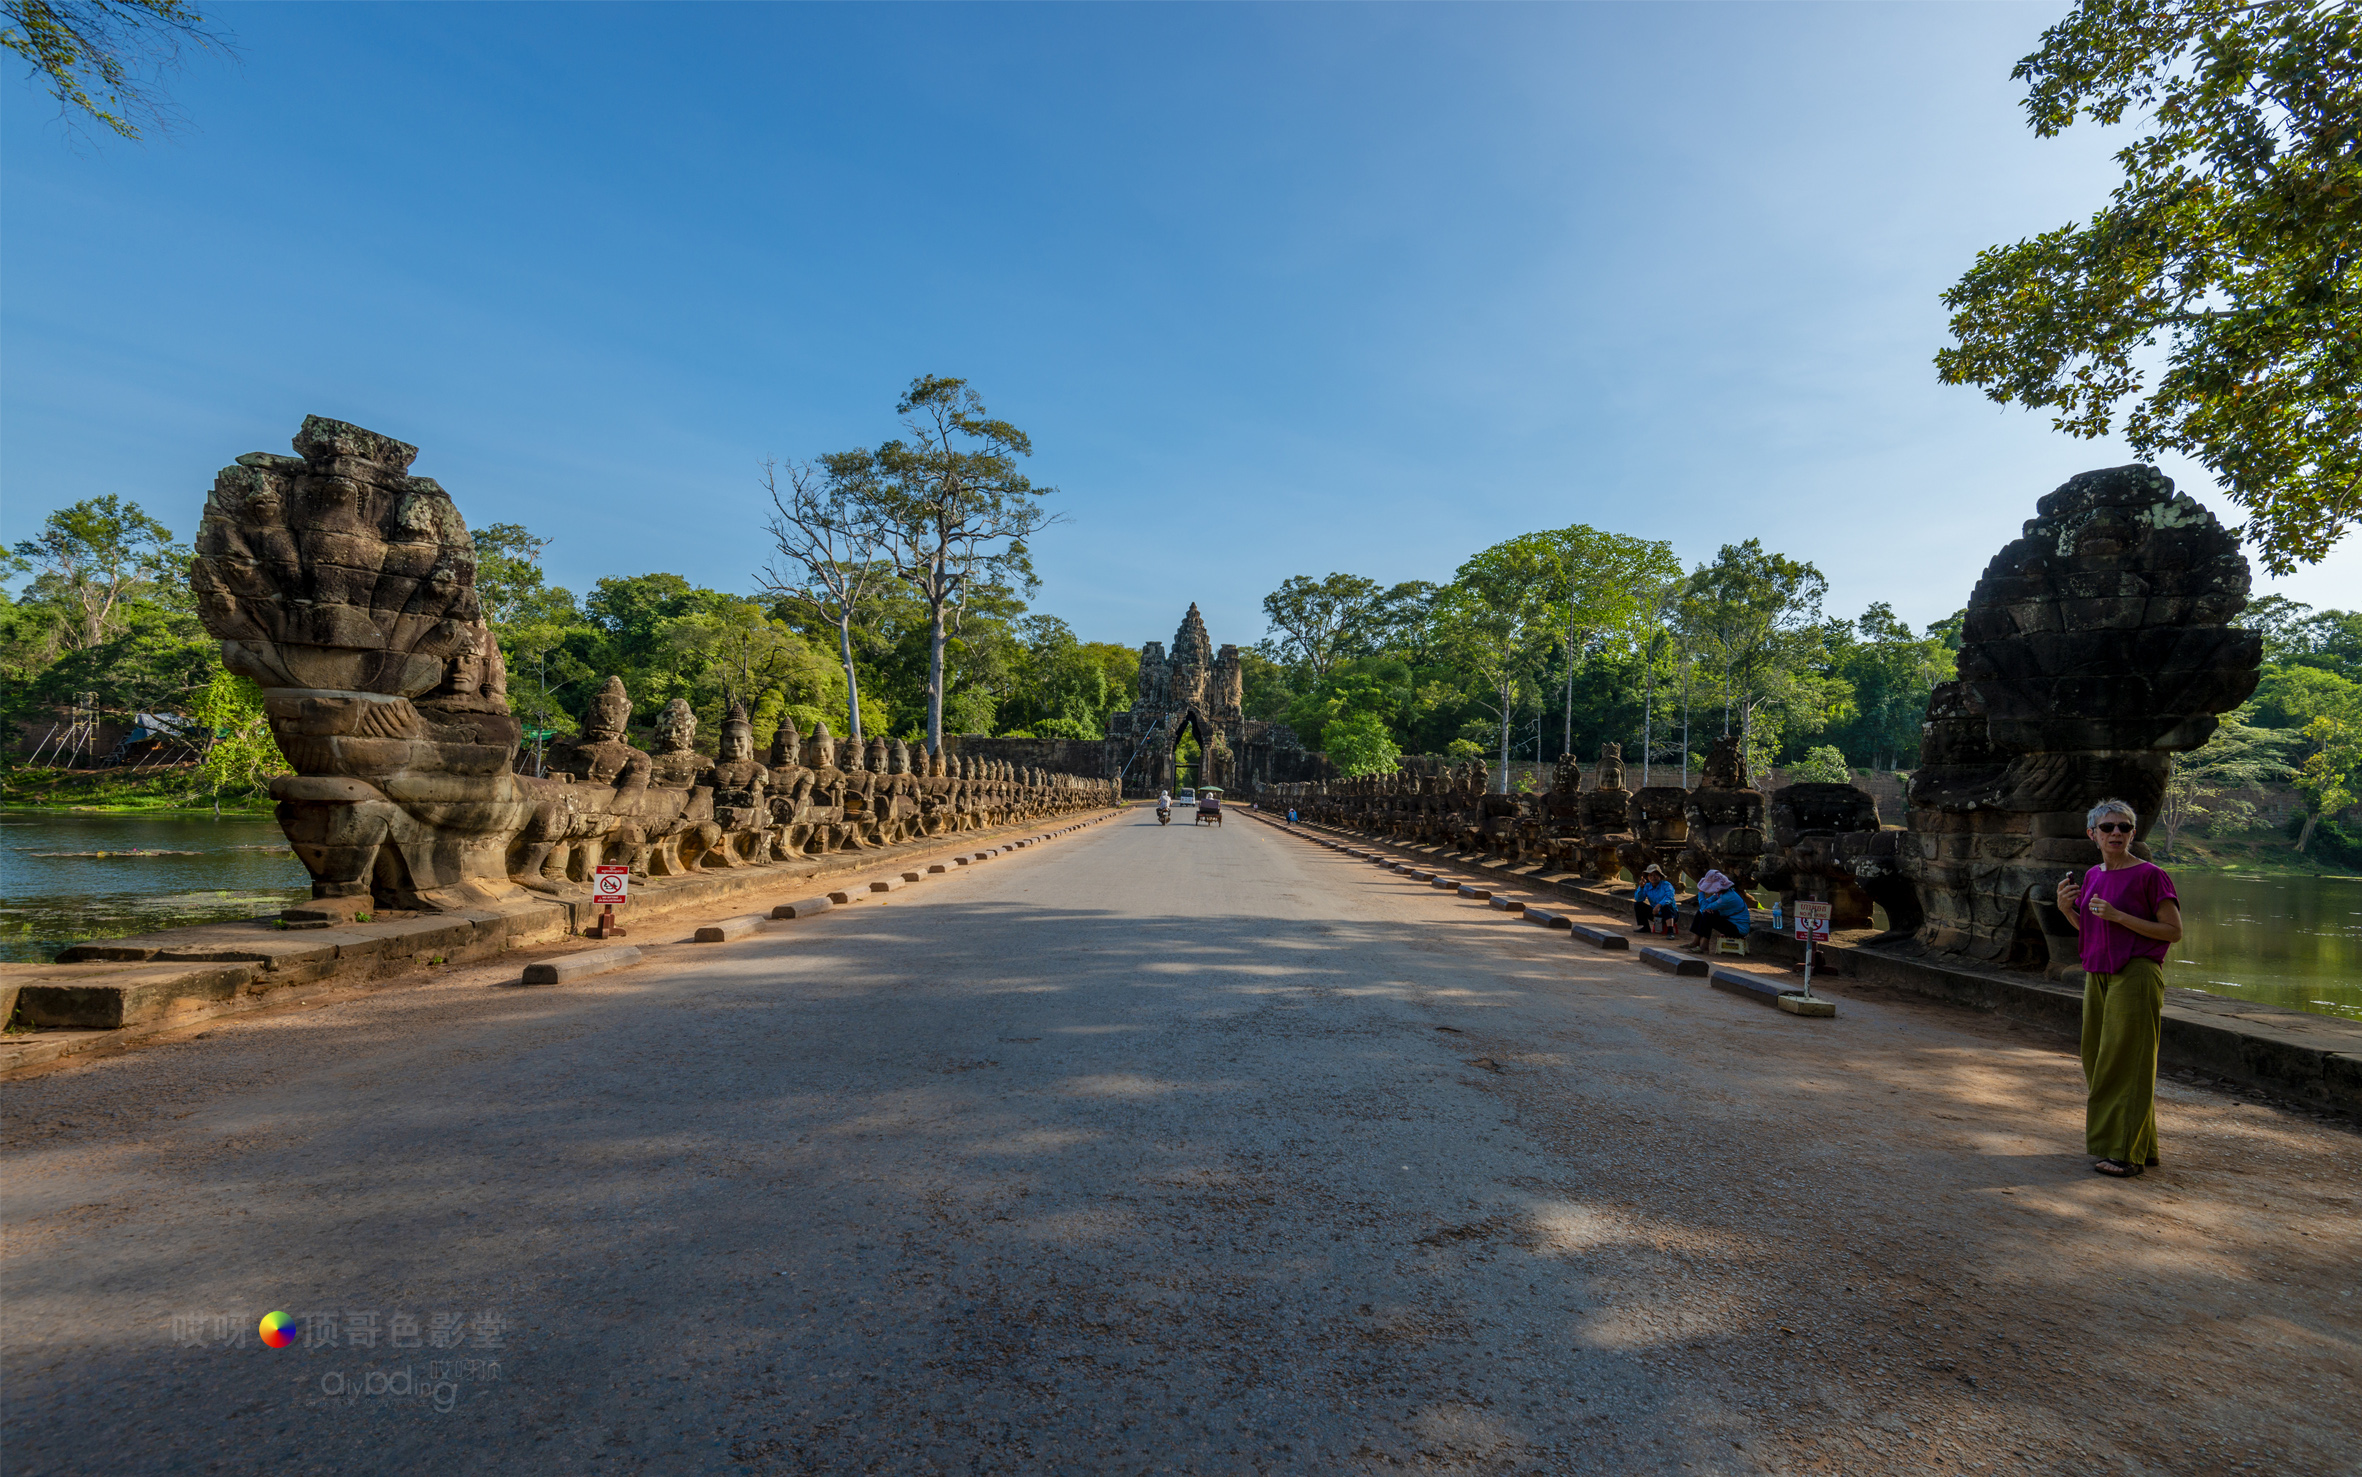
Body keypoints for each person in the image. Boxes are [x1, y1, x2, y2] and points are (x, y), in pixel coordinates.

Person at [2054, 798, 2182, 1179]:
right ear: (2092, 834)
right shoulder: (2093, 874)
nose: (2116, 833)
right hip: (2099, 972)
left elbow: (2173, 932)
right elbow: (2095, 929)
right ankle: (2141, 1144)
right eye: (2108, 827)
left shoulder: (2150, 875)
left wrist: (2119, 915)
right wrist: (2066, 911)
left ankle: (2125, 1152)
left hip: (2137, 972)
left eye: (2124, 827)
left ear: (2133, 833)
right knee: (2097, 1058)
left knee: (2126, 1062)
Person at [1683, 870, 1751, 952]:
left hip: (1738, 930)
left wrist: (1701, 892)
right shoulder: (1721, 893)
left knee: (1707, 914)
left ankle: (1704, 946)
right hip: (1730, 922)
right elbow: (1706, 904)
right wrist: (1705, 907)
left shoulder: (1726, 898)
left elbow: (1704, 906)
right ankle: (1695, 942)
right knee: (1701, 912)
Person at [1631, 863, 1677, 935]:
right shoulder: (1647, 886)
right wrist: (1641, 887)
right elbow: (1639, 899)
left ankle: (1670, 931)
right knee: (1638, 905)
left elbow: (1669, 897)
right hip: (1655, 913)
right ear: (1648, 877)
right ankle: (1645, 927)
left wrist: (1659, 905)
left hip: (1671, 914)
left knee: (1667, 906)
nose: (1653, 877)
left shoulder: (1666, 885)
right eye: (1651, 875)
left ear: (1660, 876)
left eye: (1655, 875)